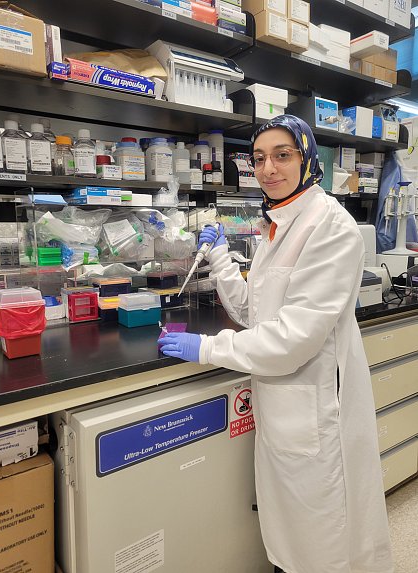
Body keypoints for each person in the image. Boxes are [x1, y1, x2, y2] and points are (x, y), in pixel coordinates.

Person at [158, 115, 394, 573]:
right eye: (259, 158)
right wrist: (223, 257)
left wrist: (206, 348)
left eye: (282, 155)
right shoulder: (277, 223)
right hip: (284, 408)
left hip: (317, 405)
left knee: (324, 540)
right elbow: (255, 313)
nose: (268, 168)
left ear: (307, 160)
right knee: (291, 537)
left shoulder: (330, 227)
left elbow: (291, 340)